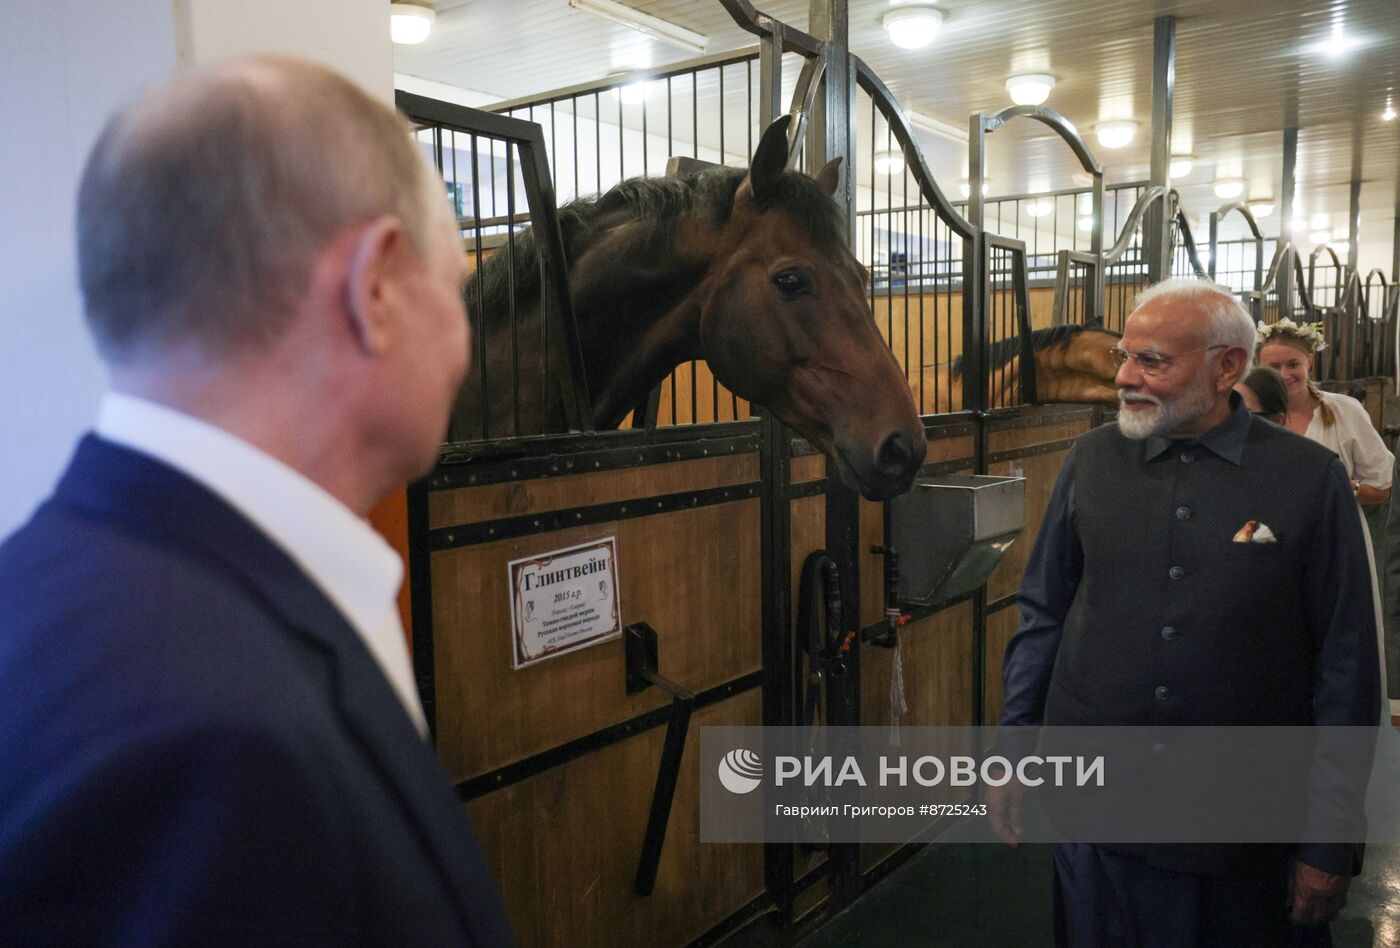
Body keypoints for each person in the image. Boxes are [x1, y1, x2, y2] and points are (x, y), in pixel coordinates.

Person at [0, 57, 513, 945]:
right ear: (379, 288)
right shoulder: (219, 748)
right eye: (461, 289)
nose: (467, 341)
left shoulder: (41, 589)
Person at [987, 278, 1380, 945]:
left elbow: (1347, 667)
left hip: (1245, 830)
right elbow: (1043, 613)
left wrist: (1328, 839)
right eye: (1125, 357)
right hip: (1100, 815)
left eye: (1152, 362)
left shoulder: (1309, 480)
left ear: (1227, 366)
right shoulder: (1091, 460)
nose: (1124, 378)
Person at [1256, 318, 1392, 507]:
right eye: (1274, 367)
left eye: (1293, 364)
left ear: (1309, 361)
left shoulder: (1345, 411)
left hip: (1332, 530)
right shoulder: (1249, 415)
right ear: (1258, 367)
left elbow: (1381, 490)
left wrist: (1342, 486)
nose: (1284, 375)